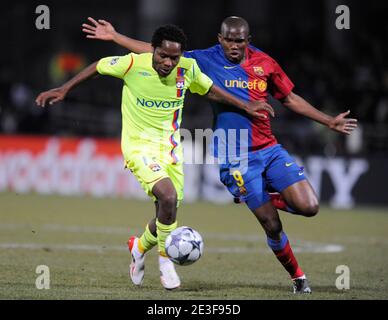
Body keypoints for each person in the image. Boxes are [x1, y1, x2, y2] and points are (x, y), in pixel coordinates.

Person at [82, 17, 358, 293]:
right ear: (220, 38)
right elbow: (161, 52)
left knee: (309, 207)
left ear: (248, 41)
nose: (234, 45)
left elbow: (289, 98)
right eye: (229, 39)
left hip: (269, 148)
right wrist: (116, 37)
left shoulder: (265, 64)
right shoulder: (205, 59)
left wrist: (328, 121)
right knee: (271, 224)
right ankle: (298, 277)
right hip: (233, 152)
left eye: (240, 40)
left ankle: (256, 195)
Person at [36, 24, 273, 290]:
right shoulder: (132, 64)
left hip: (170, 149)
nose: (168, 62)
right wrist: (65, 89)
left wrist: (246, 105)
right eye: (163, 55)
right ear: (153, 51)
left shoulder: (188, 69)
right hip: (138, 147)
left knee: (167, 212)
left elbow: (210, 89)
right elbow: (99, 66)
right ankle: (166, 263)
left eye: (174, 57)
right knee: (168, 196)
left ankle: (138, 247)